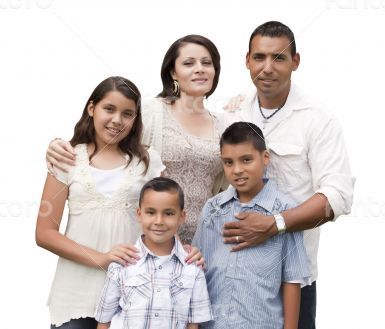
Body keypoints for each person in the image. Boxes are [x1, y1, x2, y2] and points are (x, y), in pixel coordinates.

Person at [221, 21, 355, 328]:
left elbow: (337, 195)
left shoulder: (318, 119)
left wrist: (274, 225)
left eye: (279, 57)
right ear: (247, 61)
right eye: (259, 57)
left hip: (292, 276)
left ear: (295, 61)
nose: (267, 68)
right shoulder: (232, 112)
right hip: (234, 273)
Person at [45, 34, 225, 245]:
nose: (199, 68)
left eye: (206, 63)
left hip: (206, 240)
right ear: (173, 72)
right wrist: (58, 144)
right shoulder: (150, 111)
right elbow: (107, 132)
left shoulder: (225, 124)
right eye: (188, 63)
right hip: (148, 242)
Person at [35, 76, 166, 328]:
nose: (117, 120)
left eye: (127, 113)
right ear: (91, 108)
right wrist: (102, 258)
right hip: (74, 293)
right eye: (109, 109)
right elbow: (44, 233)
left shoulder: (148, 162)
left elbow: (163, 222)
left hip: (131, 295)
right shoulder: (67, 158)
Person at [192, 122, 310, 329]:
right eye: (229, 162)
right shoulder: (213, 209)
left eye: (246, 160)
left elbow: (292, 280)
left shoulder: (286, 212)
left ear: (265, 158)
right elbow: (197, 270)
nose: (237, 170)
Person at [95, 177, 213, 329]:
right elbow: (104, 321)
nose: (159, 221)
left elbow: (193, 325)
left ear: (181, 217)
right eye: (151, 212)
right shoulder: (122, 264)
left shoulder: (193, 268)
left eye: (168, 213)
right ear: (139, 214)